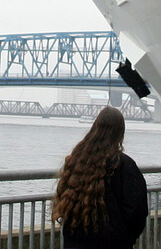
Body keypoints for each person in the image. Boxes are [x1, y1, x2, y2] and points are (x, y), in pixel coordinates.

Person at [52, 106, 148, 249]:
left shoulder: (76, 160)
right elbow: (137, 211)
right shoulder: (123, 165)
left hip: (74, 242)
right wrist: (125, 238)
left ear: (95, 127)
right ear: (120, 133)